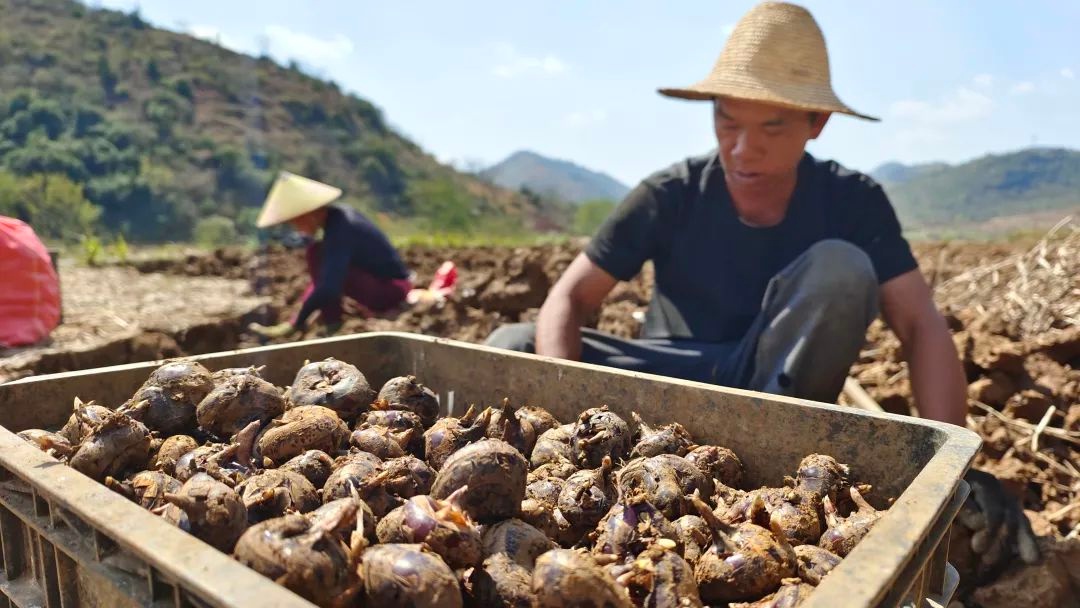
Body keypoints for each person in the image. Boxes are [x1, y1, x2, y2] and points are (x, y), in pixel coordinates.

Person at [484, 1, 1039, 583]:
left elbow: (921, 324)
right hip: (666, 387)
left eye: (773, 126)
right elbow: (570, 298)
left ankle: (778, 461)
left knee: (842, 267)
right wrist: (567, 420)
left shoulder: (852, 201)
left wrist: (957, 461)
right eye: (729, 123)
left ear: (816, 122)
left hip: (778, 395)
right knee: (515, 342)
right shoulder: (670, 193)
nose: (745, 148)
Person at [249, 171, 411, 337]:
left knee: (317, 255)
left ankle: (333, 324)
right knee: (321, 260)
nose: (297, 228)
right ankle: (326, 321)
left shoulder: (341, 228)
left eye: (295, 221)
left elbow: (329, 287)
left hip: (391, 290)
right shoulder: (340, 218)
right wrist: (296, 319)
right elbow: (323, 281)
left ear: (308, 213)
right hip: (389, 286)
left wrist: (298, 321)